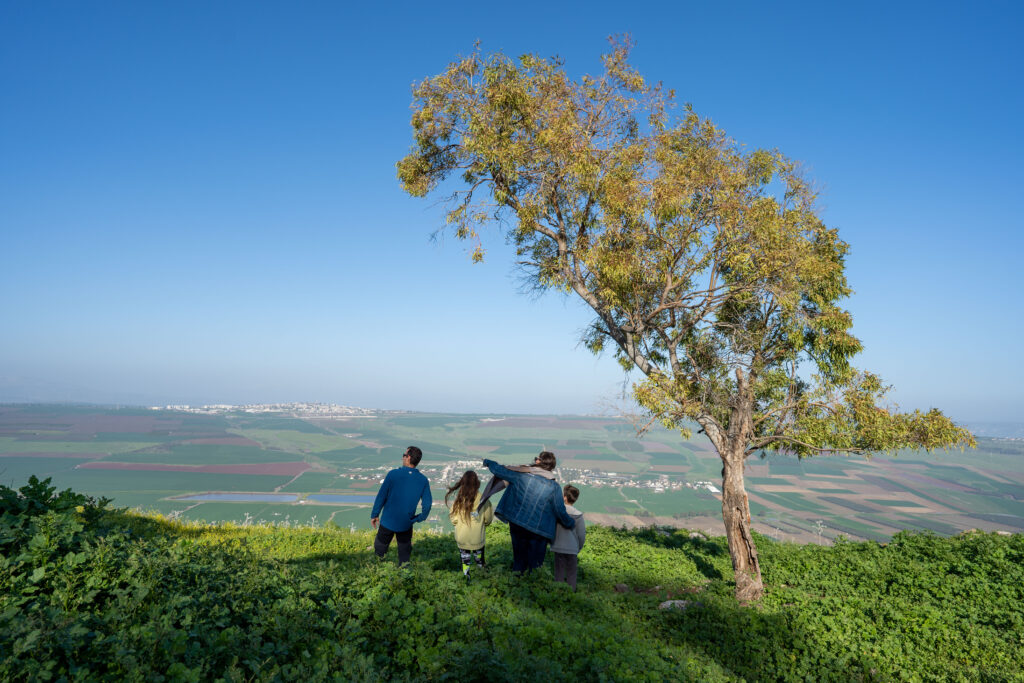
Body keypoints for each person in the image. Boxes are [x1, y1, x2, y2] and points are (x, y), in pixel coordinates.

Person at [482, 451, 575, 573]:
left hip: (517, 523)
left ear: (539, 461)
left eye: (536, 458)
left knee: (519, 559)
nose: (535, 460)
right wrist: (570, 523)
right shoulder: (554, 487)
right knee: (535, 564)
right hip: (539, 530)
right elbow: (560, 510)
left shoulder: (521, 475)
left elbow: (499, 470)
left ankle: (517, 579)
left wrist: (488, 462)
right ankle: (532, 581)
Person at [370, 446, 431, 565]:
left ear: (408, 458)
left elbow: (381, 496)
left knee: (380, 549)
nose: (402, 457)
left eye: (404, 455)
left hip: (388, 520)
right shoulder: (423, 480)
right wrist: (419, 518)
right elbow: (427, 505)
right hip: (406, 523)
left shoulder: (393, 474)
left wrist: (375, 514)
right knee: (404, 554)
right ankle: (403, 572)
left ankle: (377, 569)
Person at [445, 470, 494, 581]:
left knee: (465, 562)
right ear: (477, 483)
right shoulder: (483, 499)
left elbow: (453, 520)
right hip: (478, 538)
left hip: (462, 538)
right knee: (480, 562)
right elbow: (488, 519)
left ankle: (466, 580)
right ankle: (482, 581)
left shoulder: (459, 500)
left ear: (463, 483)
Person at [550, 484, 586, 590]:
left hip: (558, 547)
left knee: (559, 573)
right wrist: (578, 548)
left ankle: (558, 593)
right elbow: (581, 535)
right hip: (572, 549)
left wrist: (551, 542)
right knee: (571, 574)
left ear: (565, 497)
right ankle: (571, 594)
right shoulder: (578, 515)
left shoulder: (557, 512)